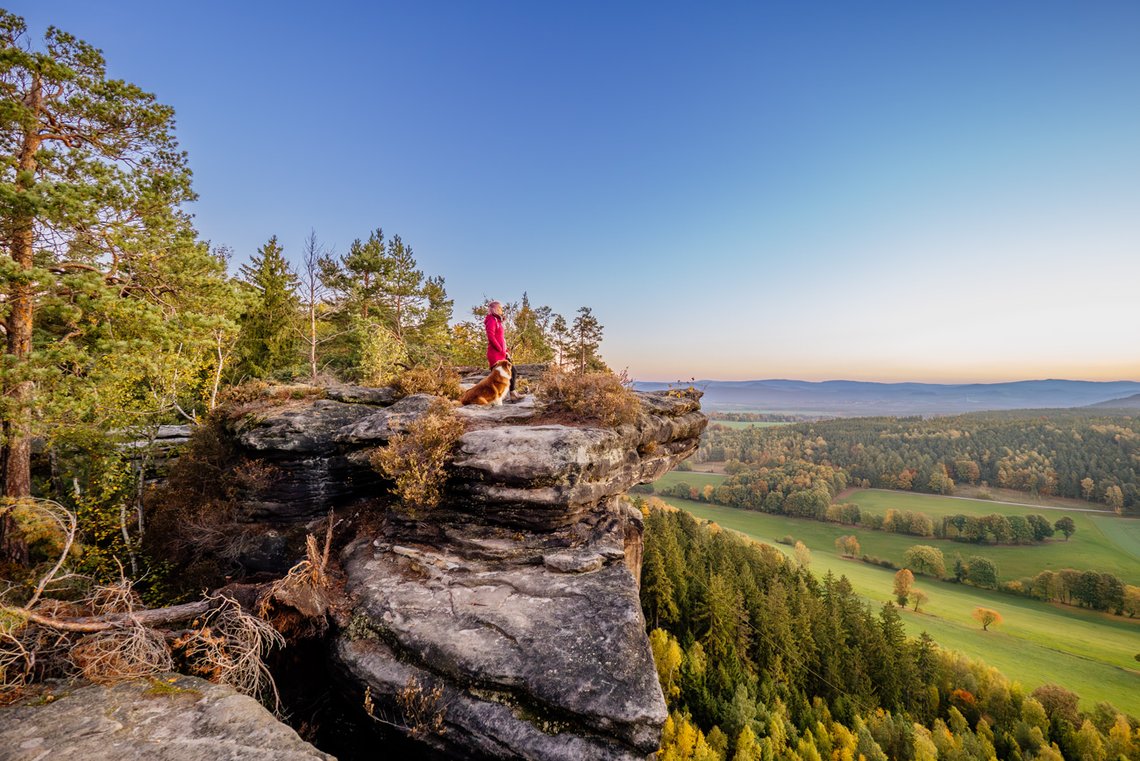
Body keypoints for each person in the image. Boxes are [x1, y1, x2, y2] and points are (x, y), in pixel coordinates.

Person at [484, 300, 521, 401]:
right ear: (495, 309)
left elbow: (502, 338)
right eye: (500, 308)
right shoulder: (491, 319)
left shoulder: (498, 321)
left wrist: (506, 351)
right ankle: (493, 398)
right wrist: (500, 349)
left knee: (512, 371)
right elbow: (490, 336)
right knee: (497, 378)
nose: (501, 310)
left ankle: (513, 393)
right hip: (495, 353)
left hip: (502, 353)